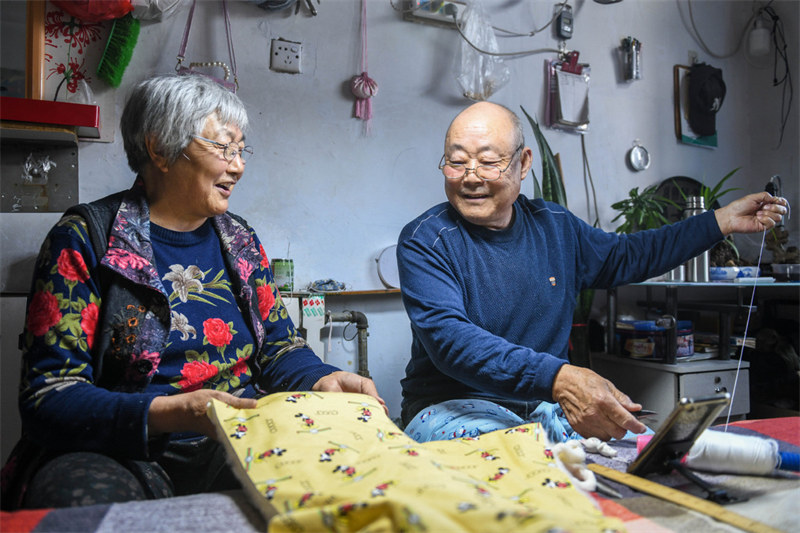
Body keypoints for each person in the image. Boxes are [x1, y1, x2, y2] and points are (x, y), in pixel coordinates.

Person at [1, 73, 384, 510]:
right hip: (121, 450)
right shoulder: (86, 238)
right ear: (160, 149)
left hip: (239, 439)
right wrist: (174, 412)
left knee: (349, 479)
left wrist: (321, 378)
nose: (237, 166)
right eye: (223, 148)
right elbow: (49, 396)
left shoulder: (240, 240)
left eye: (240, 150)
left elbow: (278, 348)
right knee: (80, 499)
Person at [397, 101, 787, 445]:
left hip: (540, 408)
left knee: (648, 453)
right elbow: (452, 342)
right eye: (457, 160)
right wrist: (562, 378)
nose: (471, 176)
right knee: (522, 466)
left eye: (488, 161)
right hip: (449, 408)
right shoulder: (426, 240)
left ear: (524, 163)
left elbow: (629, 255)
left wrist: (719, 221)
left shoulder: (555, 226)